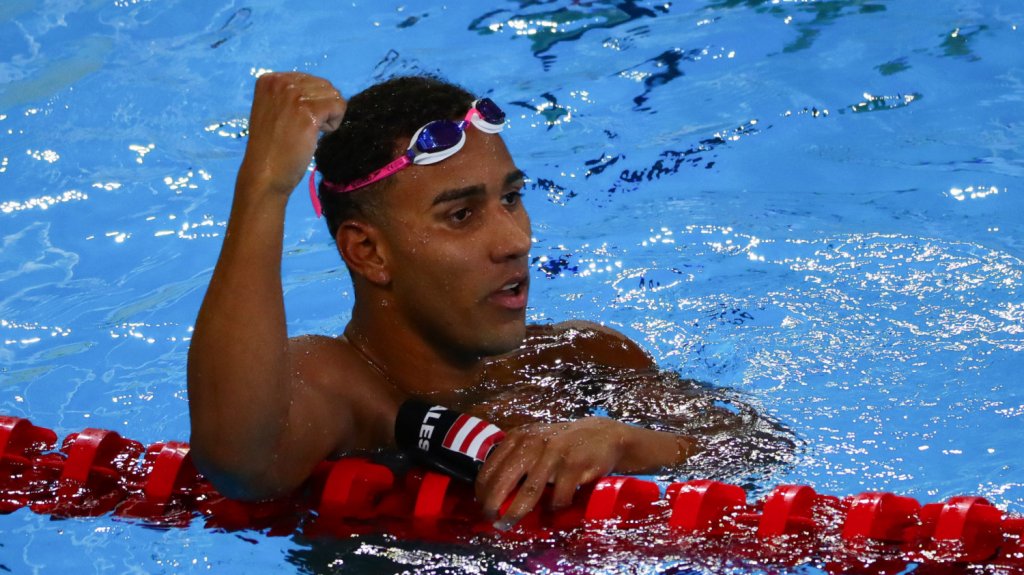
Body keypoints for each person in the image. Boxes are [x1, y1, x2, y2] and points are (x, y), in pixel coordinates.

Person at [187, 72, 782, 530]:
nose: (516, 240)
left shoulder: (578, 358)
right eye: (462, 215)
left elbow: (759, 449)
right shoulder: (340, 386)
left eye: (512, 199)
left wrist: (627, 440)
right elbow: (238, 463)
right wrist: (265, 185)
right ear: (369, 252)